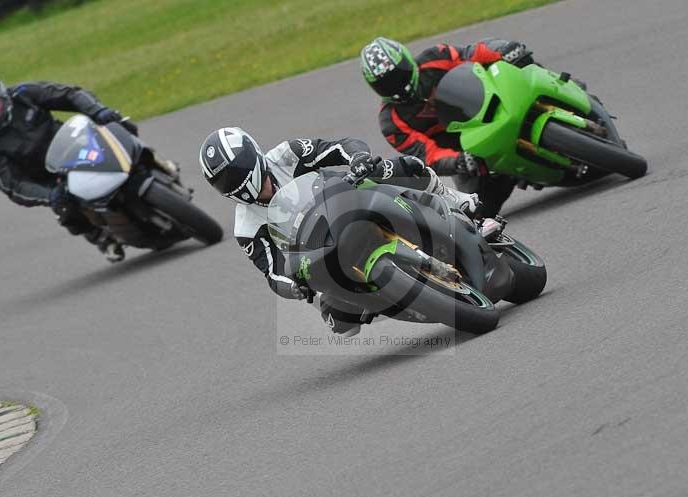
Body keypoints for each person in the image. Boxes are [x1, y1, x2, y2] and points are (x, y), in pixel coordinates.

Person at [199, 127, 479, 335]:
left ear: (253, 157)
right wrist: (295, 287)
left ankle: (453, 200)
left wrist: (358, 157)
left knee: (397, 167)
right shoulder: (246, 227)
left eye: (234, 173)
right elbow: (272, 272)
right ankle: (401, 298)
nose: (232, 183)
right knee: (340, 323)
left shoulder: (287, 154)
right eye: (222, 181)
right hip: (323, 251)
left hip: (349, 201)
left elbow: (339, 147)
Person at [0, 72, 177, 262]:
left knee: (117, 127)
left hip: (75, 143)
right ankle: (101, 238)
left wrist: (98, 111)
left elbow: (69, 94)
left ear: (3, 95)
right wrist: (48, 195)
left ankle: (156, 161)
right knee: (64, 208)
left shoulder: (24, 93)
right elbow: (13, 186)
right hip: (51, 177)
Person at [360, 36, 535, 218]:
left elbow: (472, 53)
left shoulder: (435, 57)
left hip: (493, 108)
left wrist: (502, 51)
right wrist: (458, 161)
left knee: (521, 64)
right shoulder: (391, 122)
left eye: (399, 75)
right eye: (386, 84)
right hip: (468, 153)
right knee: (473, 214)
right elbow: (427, 155)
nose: (397, 86)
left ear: (407, 61)